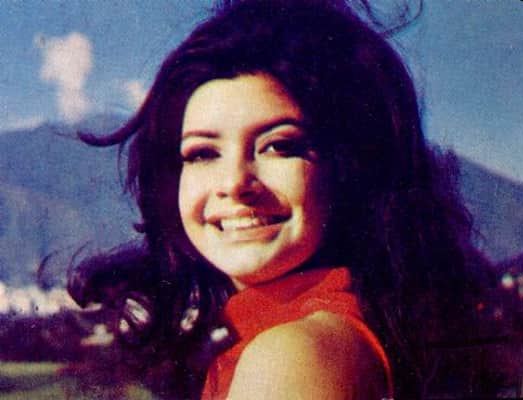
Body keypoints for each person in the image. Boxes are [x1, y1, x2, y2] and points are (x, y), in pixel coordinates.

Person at [67, 0, 493, 398]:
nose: (234, 183)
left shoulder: (294, 355)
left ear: (349, 167)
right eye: (202, 153)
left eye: (279, 146)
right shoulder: (330, 333)